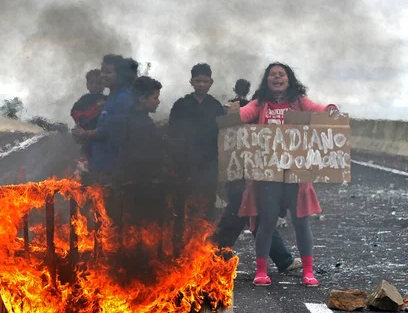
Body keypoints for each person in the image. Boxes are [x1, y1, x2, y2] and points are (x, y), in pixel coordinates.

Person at [238, 62, 338, 287]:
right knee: (267, 221)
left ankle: (308, 271)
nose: (277, 78)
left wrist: (330, 109)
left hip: (296, 172)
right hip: (269, 172)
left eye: (281, 74)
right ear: (267, 80)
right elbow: (243, 116)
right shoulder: (260, 103)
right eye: (273, 75)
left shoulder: (299, 102)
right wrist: (232, 111)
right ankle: (262, 271)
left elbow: (319, 110)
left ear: (289, 79)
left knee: (301, 222)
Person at [216, 79, 301, 273]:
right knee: (246, 219)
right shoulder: (242, 113)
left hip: (250, 179)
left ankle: (213, 255)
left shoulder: (236, 111)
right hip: (244, 178)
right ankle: (213, 256)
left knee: (251, 220)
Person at [168, 63, 224, 238]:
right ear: (191, 82)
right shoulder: (181, 105)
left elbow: (222, 135)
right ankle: (181, 238)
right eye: (198, 81)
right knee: (183, 202)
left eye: (205, 81)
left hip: (209, 163)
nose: (201, 84)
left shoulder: (215, 106)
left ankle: (203, 239)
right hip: (185, 163)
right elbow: (172, 133)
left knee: (207, 201)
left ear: (211, 82)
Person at [72, 54, 138, 186]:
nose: (102, 75)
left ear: (120, 75)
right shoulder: (110, 98)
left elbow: (108, 131)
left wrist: (84, 134)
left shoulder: (123, 98)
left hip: (113, 170)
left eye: (108, 72)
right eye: (102, 71)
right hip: (100, 167)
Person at [116, 75, 165, 225]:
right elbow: (142, 155)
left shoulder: (135, 118)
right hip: (140, 185)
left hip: (133, 183)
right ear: (142, 99)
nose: (158, 101)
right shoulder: (139, 123)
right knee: (143, 226)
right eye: (155, 98)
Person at [70, 69, 106, 176]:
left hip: (99, 130)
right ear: (87, 85)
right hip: (86, 128)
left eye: (98, 83)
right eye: (92, 83)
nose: (95, 85)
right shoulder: (84, 99)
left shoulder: (107, 99)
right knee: (86, 146)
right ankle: (82, 163)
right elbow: (74, 111)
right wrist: (81, 119)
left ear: (104, 84)